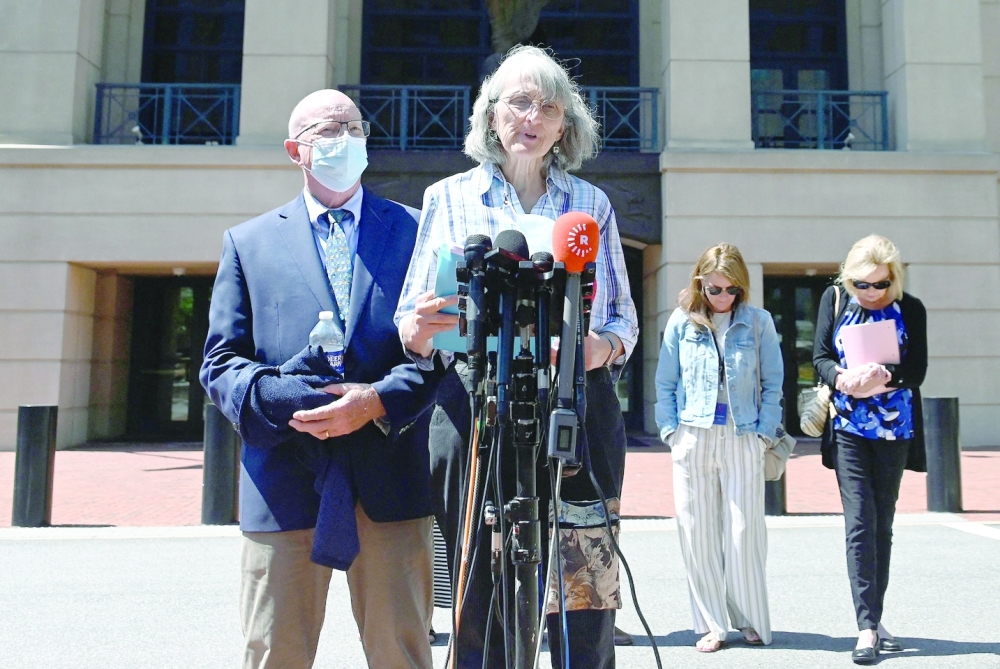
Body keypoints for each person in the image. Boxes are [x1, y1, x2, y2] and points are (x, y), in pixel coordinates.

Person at [394, 45, 639, 669]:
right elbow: (409, 322)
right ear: (492, 114)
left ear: (565, 125)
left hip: (573, 404)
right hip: (475, 402)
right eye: (519, 102)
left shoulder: (592, 207)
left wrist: (600, 347)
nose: (531, 117)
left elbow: (623, 322)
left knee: (583, 573)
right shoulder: (448, 197)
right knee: (481, 569)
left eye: (548, 106)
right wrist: (418, 328)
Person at [200, 89, 441, 669]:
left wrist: (376, 401)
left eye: (350, 127)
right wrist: (274, 397)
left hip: (389, 477)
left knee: (401, 651)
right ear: (294, 151)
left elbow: (441, 354)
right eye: (323, 131)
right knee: (274, 651)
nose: (340, 137)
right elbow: (219, 362)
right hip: (285, 475)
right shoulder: (248, 243)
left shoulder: (419, 232)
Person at [654, 243, 782, 652]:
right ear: (700, 284)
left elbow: (773, 385)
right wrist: (671, 433)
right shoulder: (681, 322)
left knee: (745, 532)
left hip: (743, 435)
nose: (723, 297)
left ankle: (749, 617)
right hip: (694, 433)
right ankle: (713, 623)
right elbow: (665, 383)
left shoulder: (759, 323)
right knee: (697, 532)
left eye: (731, 290)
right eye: (714, 289)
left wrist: (763, 433)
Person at [812, 234, 927, 665]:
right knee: (860, 523)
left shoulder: (910, 308)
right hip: (848, 429)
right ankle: (865, 627)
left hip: (894, 432)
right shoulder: (835, 300)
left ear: (893, 280)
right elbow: (820, 354)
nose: (871, 293)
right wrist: (844, 379)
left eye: (880, 285)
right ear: (849, 278)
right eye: (862, 284)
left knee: (882, 525)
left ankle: (874, 619)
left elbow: (918, 369)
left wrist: (885, 376)